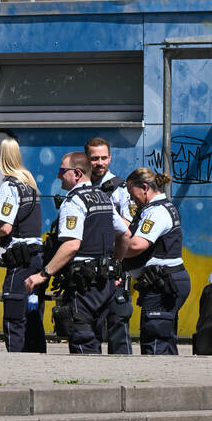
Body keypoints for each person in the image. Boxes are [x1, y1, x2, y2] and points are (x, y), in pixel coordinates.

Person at [25, 152, 128, 354]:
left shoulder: (74, 202)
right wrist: (116, 264)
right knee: (96, 337)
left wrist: (43, 274)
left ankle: (85, 383)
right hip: (105, 283)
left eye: (62, 171)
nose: (58, 176)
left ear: (77, 174)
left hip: (84, 285)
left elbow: (71, 245)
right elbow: (125, 234)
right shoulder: (103, 197)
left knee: (83, 342)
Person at [0, 138, 46, 353]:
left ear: (1, 158)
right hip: (37, 258)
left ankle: (16, 362)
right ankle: (37, 359)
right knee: (33, 315)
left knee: (14, 315)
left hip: (20, 259)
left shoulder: (10, 186)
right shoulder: (30, 183)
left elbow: (5, 228)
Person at [118, 168, 191, 355]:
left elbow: (137, 245)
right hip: (164, 282)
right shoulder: (155, 209)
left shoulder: (156, 212)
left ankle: (158, 381)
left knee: (155, 344)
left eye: (131, 193)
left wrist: (113, 253)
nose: (131, 198)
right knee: (164, 342)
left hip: (162, 284)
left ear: (144, 188)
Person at [85, 137, 133, 355]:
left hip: (113, 262)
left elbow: (128, 225)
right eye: (95, 158)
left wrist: (102, 216)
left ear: (110, 158)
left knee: (117, 321)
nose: (100, 163)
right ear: (87, 159)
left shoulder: (120, 188)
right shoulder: (81, 186)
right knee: (88, 322)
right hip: (88, 263)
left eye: (104, 158)